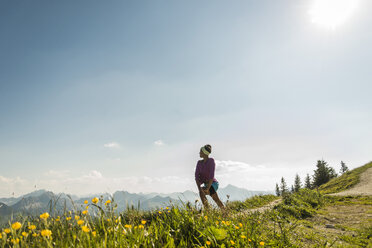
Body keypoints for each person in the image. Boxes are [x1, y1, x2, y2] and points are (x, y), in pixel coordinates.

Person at [195, 144, 225, 210]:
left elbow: (211, 175)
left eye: (201, 151)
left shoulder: (211, 161)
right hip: (206, 184)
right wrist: (199, 188)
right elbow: (196, 177)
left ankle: (209, 211)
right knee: (202, 192)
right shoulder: (199, 163)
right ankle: (209, 211)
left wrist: (208, 187)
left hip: (213, 183)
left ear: (205, 153)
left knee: (216, 199)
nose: (199, 153)